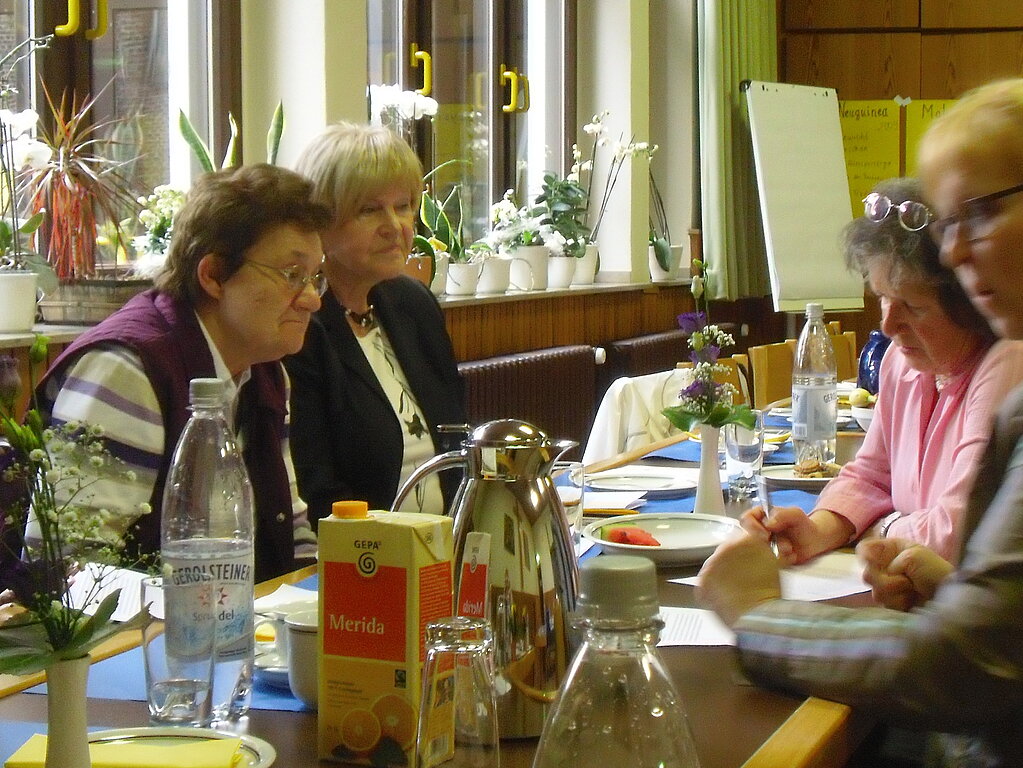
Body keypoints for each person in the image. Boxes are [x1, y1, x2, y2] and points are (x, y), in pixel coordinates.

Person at [698, 78, 1023, 767]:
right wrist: (828, 527)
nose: (955, 252)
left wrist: (756, 616)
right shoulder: (911, 363)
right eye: (948, 224)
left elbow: (964, 659)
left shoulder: (1009, 367)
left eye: (979, 213)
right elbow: (874, 474)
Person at [33, 164, 331, 582]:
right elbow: (69, 573)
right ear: (213, 275)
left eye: (315, 277)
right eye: (291, 275)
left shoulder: (266, 373)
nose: (312, 300)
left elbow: (291, 530)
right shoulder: (127, 372)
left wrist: (314, 602)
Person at [742, 177, 1023, 563]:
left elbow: (957, 532)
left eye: (914, 306)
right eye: (882, 298)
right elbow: (871, 474)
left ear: (971, 305)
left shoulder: (1008, 363)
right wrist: (817, 529)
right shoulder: (901, 362)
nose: (888, 325)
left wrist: (880, 529)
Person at [287, 122, 466, 524]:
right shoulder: (301, 324)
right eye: (369, 210)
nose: (395, 226)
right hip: (360, 548)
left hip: (445, 538)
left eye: (402, 206)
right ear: (321, 222)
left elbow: (455, 440)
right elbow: (316, 490)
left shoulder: (412, 303)